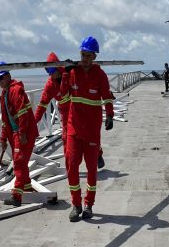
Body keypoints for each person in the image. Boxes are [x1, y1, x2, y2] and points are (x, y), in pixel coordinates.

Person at [61, 36, 114, 222]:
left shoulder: (100, 75)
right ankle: (75, 205)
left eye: (88, 55)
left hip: (91, 130)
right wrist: (65, 75)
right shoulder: (72, 73)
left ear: (94, 56)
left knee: (92, 169)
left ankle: (88, 204)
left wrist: (110, 115)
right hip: (74, 128)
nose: (84, 58)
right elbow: (62, 95)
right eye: (82, 54)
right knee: (72, 166)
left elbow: (107, 96)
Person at [35, 52, 106, 169]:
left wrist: (104, 91)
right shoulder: (50, 85)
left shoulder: (70, 71)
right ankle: (70, 166)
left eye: (52, 71)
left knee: (90, 134)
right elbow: (42, 105)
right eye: (47, 72)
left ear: (58, 68)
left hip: (80, 110)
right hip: (66, 113)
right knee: (66, 138)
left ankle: (97, 154)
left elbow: (90, 74)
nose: (50, 75)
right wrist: (34, 123)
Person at [0, 63, 39, 207]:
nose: (0, 81)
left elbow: (23, 114)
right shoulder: (4, 93)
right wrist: (3, 138)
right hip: (14, 133)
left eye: (2, 78)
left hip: (22, 132)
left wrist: (22, 133)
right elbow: (5, 119)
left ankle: (16, 196)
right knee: (20, 161)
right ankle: (26, 187)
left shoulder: (16, 90)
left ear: (8, 76)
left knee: (19, 163)